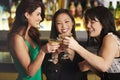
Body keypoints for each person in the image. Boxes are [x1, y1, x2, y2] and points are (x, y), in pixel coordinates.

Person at [63, 6, 120, 80]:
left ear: (103, 22)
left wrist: (76, 47)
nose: (88, 26)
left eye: (92, 22)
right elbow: (106, 74)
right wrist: (90, 65)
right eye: (87, 22)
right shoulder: (103, 39)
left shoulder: (110, 38)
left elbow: (103, 66)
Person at [7, 0, 60, 80]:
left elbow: (38, 62)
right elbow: (30, 72)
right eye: (38, 14)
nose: (40, 18)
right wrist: (43, 51)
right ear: (27, 14)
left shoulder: (30, 33)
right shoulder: (17, 38)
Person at [42, 9, 88, 80]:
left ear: (72, 23)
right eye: (59, 23)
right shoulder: (50, 48)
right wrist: (55, 54)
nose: (63, 26)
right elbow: (51, 77)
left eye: (66, 21)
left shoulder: (81, 48)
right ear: (55, 26)